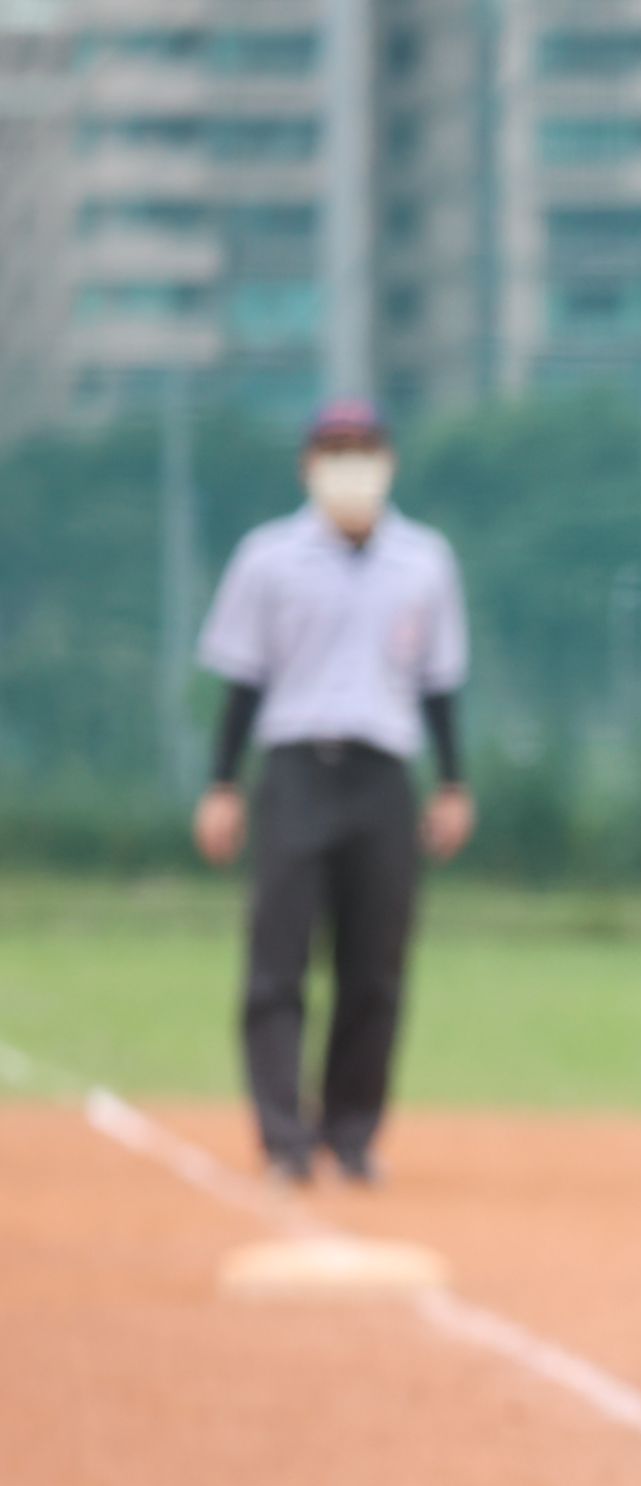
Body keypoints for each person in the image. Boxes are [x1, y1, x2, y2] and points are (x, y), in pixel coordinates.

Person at [191, 398, 473, 1187]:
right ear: (308, 465)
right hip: (294, 769)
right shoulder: (269, 557)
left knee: (375, 964)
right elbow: (243, 682)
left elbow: (439, 684)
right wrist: (222, 784)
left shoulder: (425, 560)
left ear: (389, 460)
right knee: (277, 958)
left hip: (384, 772)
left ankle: (350, 1132)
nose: (350, 463)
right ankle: (284, 1136)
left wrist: (453, 783)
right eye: (334, 448)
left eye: (363, 447)